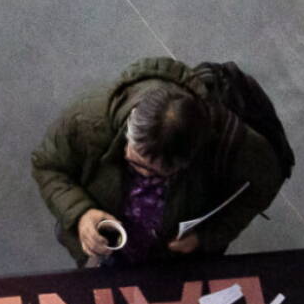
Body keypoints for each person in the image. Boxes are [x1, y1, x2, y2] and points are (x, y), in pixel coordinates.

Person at [31, 58, 287, 266]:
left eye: (154, 173)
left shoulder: (234, 144)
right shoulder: (86, 121)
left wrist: (207, 237)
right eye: (134, 158)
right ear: (130, 125)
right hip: (103, 247)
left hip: (174, 262)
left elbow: (263, 185)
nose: (142, 174)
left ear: (187, 161)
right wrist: (80, 213)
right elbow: (48, 165)